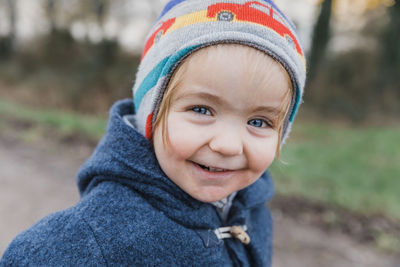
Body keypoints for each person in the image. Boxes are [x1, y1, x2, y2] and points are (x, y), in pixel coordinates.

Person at [0, 0, 306, 266]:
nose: (228, 145)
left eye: (259, 122)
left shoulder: (251, 208)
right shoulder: (99, 237)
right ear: (152, 112)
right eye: (201, 110)